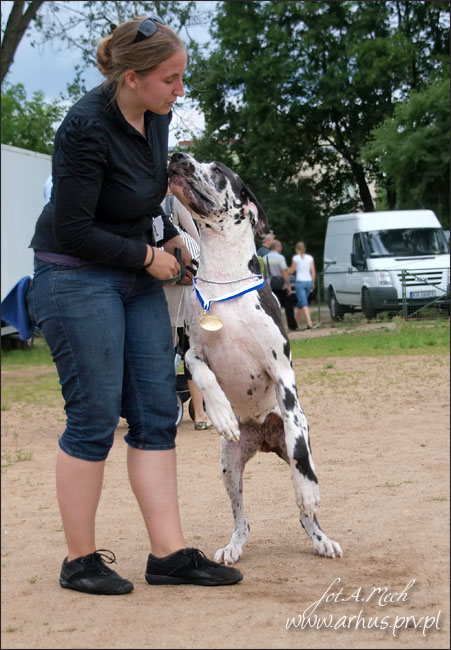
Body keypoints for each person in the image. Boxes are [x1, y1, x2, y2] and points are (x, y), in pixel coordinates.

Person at [26, 15, 242, 595]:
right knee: (93, 418)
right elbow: (73, 229)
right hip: (75, 277)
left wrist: (168, 237)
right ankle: (79, 562)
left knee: (155, 411)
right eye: (170, 79)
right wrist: (148, 258)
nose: (180, 91)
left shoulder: (157, 115)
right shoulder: (84, 128)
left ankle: (168, 556)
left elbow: (141, 201)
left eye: (181, 77)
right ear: (131, 78)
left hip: (133, 272)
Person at [161, 192, 213, 431]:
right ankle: (200, 413)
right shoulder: (174, 202)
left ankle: (157, 404)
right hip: (184, 287)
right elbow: (196, 240)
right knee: (191, 348)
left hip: (158, 285)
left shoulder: (138, 199)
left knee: (164, 349)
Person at [264, 241, 298, 332]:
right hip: (282, 285)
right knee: (288, 305)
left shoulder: (265, 258)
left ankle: (274, 326)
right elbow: (284, 273)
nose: (281, 248)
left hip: (270, 284)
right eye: (280, 246)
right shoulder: (280, 258)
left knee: (273, 306)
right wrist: (288, 285)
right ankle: (292, 325)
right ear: (277, 247)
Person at [288, 241, 316, 330]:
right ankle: (295, 323)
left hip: (300, 282)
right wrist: (313, 282)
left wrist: (285, 270)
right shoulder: (310, 258)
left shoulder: (295, 258)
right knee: (301, 303)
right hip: (308, 282)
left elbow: (292, 271)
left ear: (296, 249)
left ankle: (309, 323)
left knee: (303, 303)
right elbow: (313, 271)